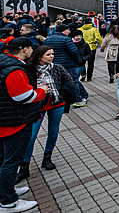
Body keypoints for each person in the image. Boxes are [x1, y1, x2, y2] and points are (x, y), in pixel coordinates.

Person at [0, 37, 48, 212]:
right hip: (14, 122)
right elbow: (23, 96)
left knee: (4, 159)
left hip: (6, 119)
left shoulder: (3, 61)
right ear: (25, 50)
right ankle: (8, 201)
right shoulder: (14, 70)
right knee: (11, 161)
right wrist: (42, 92)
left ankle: (6, 190)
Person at [20, 45, 75, 182]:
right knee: (31, 135)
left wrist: (62, 95)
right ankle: (24, 165)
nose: (52, 57)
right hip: (37, 105)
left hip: (56, 103)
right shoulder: (30, 69)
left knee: (53, 131)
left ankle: (47, 157)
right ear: (39, 57)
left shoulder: (57, 68)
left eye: (52, 54)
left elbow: (70, 80)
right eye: (48, 54)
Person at [69, 30, 92, 107]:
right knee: (74, 80)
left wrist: (82, 59)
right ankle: (83, 94)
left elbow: (89, 54)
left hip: (80, 65)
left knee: (74, 80)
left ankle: (82, 95)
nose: (79, 38)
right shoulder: (70, 44)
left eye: (80, 36)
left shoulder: (85, 44)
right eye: (77, 36)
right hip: (72, 64)